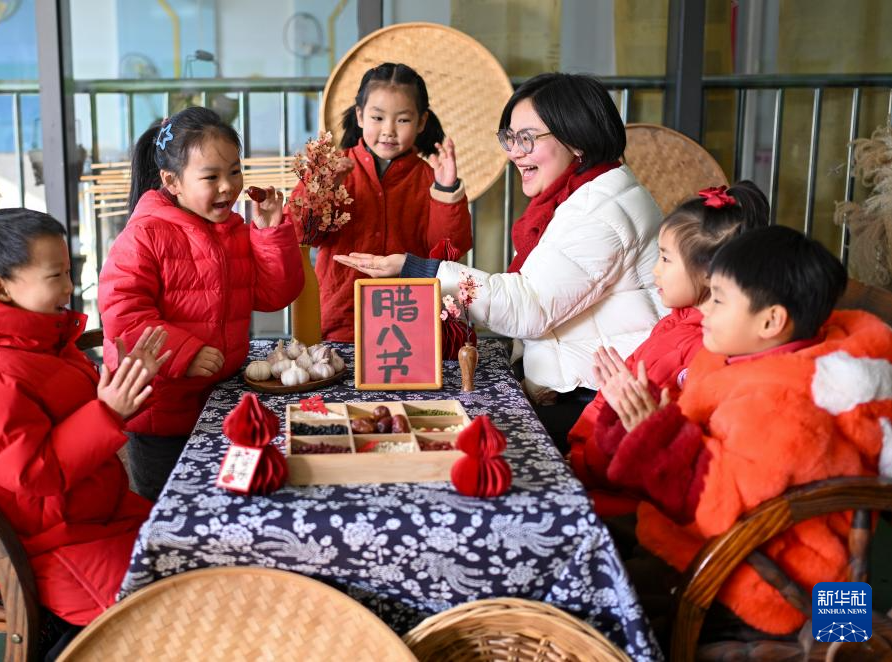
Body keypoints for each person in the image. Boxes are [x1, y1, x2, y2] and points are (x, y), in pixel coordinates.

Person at [595, 225, 892, 642]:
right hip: (722, 542)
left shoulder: (782, 404)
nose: (704, 309)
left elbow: (722, 505)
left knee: (598, 599)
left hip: (771, 579)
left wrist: (656, 437)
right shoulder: (743, 360)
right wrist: (641, 419)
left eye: (718, 299)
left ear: (771, 321)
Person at [335, 73, 663, 444]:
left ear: (576, 139)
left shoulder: (598, 209)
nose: (514, 152)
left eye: (527, 138)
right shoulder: (585, 194)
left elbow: (530, 306)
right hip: (588, 384)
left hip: (600, 399)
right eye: (510, 138)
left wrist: (418, 269)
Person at [0, 209, 162, 634]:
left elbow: (70, 413)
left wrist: (124, 389)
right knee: (149, 614)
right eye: (55, 276)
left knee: (197, 555)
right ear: (0, 288)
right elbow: (31, 472)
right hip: (29, 539)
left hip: (83, 510)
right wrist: (108, 412)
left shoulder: (33, 336)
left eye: (69, 271)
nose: (69, 287)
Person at [98, 106, 304, 501]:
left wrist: (269, 233)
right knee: (169, 509)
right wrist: (185, 354)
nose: (228, 186)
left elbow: (274, 295)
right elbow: (123, 317)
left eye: (235, 171)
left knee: (225, 504)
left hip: (219, 402)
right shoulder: (145, 235)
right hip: (161, 412)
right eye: (211, 177)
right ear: (172, 181)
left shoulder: (233, 230)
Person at [568, 181, 769, 517]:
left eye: (665, 258)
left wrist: (587, 460)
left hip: (632, 501)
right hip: (592, 467)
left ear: (707, 273)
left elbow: (667, 453)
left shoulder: (710, 349)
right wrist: (579, 455)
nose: (655, 270)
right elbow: (614, 399)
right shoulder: (673, 323)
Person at [285, 62, 472, 342]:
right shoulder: (333, 168)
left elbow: (448, 253)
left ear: (421, 122)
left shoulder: (430, 177)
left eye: (403, 120)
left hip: (410, 322)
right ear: (360, 116)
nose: (388, 131)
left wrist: (446, 189)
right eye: (378, 117)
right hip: (340, 321)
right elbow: (298, 235)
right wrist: (324, 188)